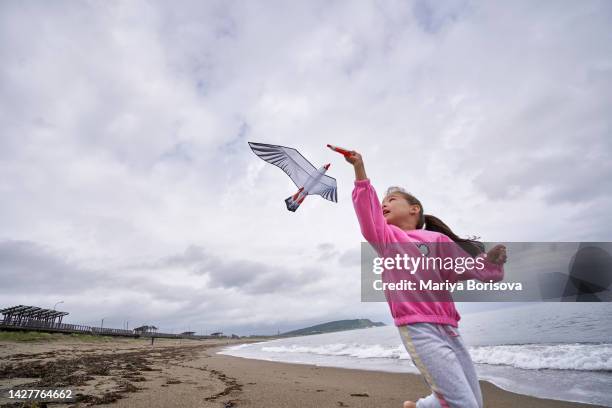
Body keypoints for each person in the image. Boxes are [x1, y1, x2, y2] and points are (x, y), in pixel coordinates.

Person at [346, 149, 507, 408]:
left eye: (392, 199)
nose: (384, 203)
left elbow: (467, 268)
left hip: (449, 327)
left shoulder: (438, 240)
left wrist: (491, 263)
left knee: (473, 401)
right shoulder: (388, 239)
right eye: (382, 201)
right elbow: (369, 218)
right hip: (418, 326)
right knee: (464, 405)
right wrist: (360, 172)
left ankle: (421, 406)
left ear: (414, 209)